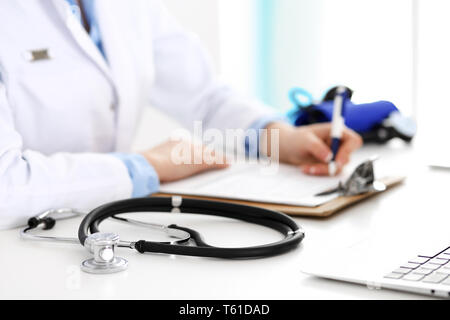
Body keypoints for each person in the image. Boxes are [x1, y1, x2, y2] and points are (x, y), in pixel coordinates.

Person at [0, 0, 362, 229]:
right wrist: (146, 166)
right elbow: (6, 188)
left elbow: (203, 96)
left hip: (95, 226)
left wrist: (278, 136)